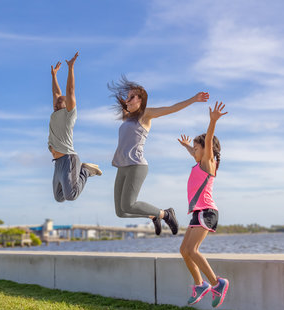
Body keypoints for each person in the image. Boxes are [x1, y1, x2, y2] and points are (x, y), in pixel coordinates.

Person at [109, 76, 209, 235]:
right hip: (122, 166)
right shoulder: (128, 117)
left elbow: (171, 108)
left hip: (136, 166)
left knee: (128, 205)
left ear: (141, 100)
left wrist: (194, 99)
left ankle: (166, 214)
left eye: (131, 97)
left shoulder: (146, 115)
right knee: (121, 212)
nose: (128, 100)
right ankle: (154, 215)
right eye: (127, 97)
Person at [177, 101, 229, 308]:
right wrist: (187, 146)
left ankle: (218, 283)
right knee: (184, 250)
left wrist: (212, 121)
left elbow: (207, 142)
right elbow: (195, 151)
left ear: (206, 150)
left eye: (197, 149)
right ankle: (200, 285)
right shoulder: (199, 161)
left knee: (193, 250)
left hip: (206, 212)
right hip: (198, 213)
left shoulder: (208, 163)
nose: (194, 151)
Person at [49, 51, 102, 203]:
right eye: (56, 101)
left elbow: (70, 91)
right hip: (58, 163)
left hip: (68, 159)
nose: (57, 101)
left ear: (67, 106)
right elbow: (56, 92)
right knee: (59, 198)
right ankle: (81, 171)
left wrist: (71, 68)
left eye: (61, 101)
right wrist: (54, 76)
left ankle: (84, 170)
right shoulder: (55, 113)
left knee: (71, 195)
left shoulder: (69, 115)